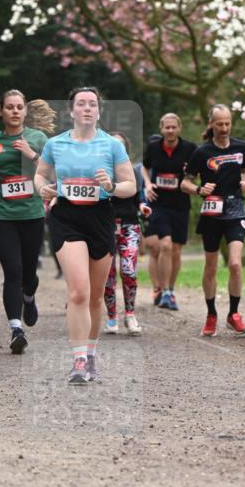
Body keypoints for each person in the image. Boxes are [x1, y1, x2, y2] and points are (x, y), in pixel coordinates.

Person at [33, 86, 136, 384]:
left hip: (100, 217)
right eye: (82, 104)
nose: (87, 108)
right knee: (78, 290)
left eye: (92, 104)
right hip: (66, 216)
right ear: (72, 110)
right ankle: (78, 359)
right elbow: (40, 174)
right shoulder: (56, 144)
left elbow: (130, 185)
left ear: (99, 111)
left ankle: (90, 355)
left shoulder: (111, 146)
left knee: (94, 295)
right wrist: (43, 187)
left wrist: (112, 186)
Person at [0, 91, 55, 354]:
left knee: (29, 273)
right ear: (1, 111)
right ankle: (16, 329)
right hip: (0, 215)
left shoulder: (37, 138)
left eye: (19, 107)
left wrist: (31, 154)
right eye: (10, 107)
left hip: (31, 214)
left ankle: (29, 298)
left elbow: (51, 172)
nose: (15, 111)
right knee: (13, 271)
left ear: (25, 112)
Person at [181, 104, 245, 336]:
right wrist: (200, 189)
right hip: (212, 212)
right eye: (219, 123)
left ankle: (234, 314)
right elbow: (185, 183)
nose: (224, 128)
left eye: (227, 123)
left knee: (235, 264)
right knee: (211, 265)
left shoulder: (241, 147)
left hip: (236, 210)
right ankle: (211, 314)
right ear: (211, 124)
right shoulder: (202, 152)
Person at [142, 116, 196, 311]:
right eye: (167, 127)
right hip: (159, 204)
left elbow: (197, 171)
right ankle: (163, 291)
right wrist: (148, 184)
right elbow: (145, 168)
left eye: (174, 127)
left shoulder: (190, 148)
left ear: (180, 128)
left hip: (181, 204)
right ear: (162, 129)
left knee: (176, 250)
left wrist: (191, 175)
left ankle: (170, 290)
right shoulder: (154, 147)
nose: (171, 131)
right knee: (164, 245)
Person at [104, 132, 152, 335]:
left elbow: (137, 198)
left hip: (129, 226)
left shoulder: (134, 172)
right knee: (108, 276)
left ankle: (130, 315)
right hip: (105, 227)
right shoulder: (99, 172)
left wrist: (142, 206)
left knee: (128, 271)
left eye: (120, 146)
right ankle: (112, 317)